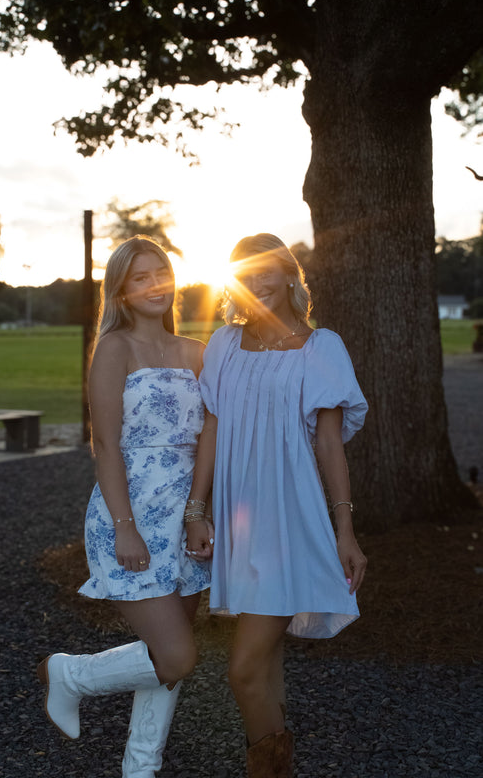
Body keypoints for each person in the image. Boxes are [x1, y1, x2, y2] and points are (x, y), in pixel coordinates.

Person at [185, 233, 368, 777]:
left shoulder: (322, 347)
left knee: (241, 671)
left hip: (291, 520)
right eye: (246, 271)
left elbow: (329, 443)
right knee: (263, 665)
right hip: (241, 520)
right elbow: (211, 430)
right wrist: (197, 510)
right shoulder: (222, 343)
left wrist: (345, 531)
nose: (258, 280)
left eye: (268, 269)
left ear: (290, 275)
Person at [37, 236, 213, 777]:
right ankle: (69, 674)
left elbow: (211, 433)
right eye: (140, 278)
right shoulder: (114, 347)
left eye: (160, 272)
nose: (154, 284)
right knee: (177, 655)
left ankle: (140, 768)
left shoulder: (195, 351)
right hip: (130, 516)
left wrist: (199, 511)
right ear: (121, 290)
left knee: (167, 657)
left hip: (184, 517)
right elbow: (106, 444)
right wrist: (124, 528)